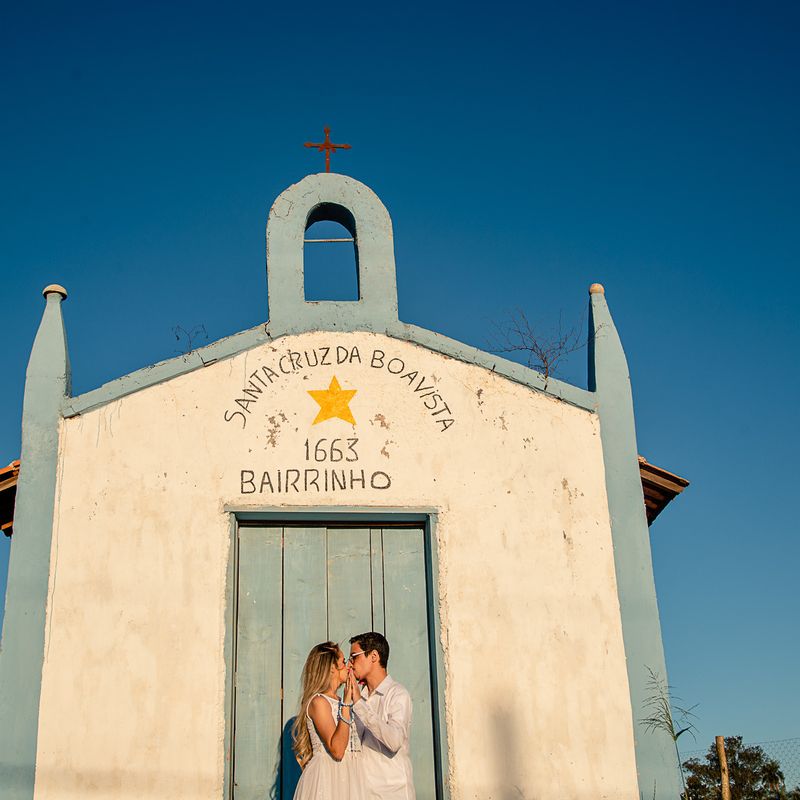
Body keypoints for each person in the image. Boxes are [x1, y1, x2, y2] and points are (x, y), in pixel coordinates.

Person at [291, 641, 364, 800]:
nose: (348, 666)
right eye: (343, 662)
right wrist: (346, 703)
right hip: (327, 778)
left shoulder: (341, 701)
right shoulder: (319, 702)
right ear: (332, 668)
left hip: (349, 776)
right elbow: (337, 750)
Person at [347, 632, 415, 800]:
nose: (350, 664)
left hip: (392, 792)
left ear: (374, 656)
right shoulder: (356, 697)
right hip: (361, 792)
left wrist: (359, 705)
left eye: (354, 657)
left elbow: (394, 741)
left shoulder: (398, 694)